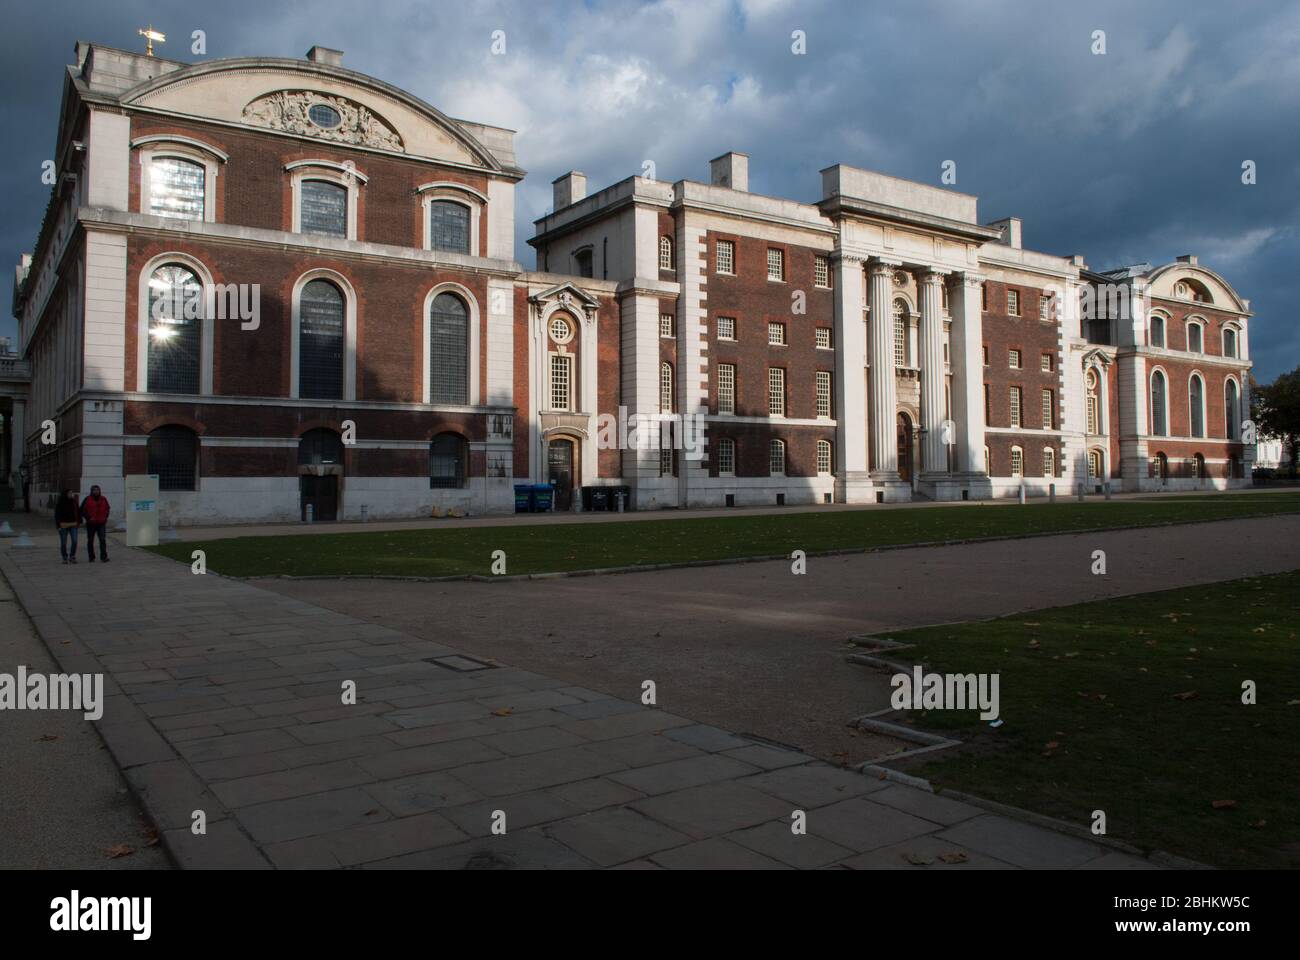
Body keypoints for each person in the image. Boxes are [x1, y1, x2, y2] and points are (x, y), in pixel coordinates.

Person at [81, 484, 111, 563]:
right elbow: (82, 510)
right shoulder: (87, 499)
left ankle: (104, 557)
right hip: (91, 523)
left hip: (101, 523)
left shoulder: (103, 499)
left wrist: (105, 517)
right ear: (91, 491)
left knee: (102, 540)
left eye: (97, 490)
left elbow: (107, 508)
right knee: (90, 540)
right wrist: (88, 518)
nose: (96, 491)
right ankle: (91, 557)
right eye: (94, 490)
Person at [55, 488, 81, 564]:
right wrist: (58, 525)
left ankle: (72, 556)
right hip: (63, 525)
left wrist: (79, 521)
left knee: (75, 541)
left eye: (72, 493)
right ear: (65, 494)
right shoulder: (60, 503)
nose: (71, 494)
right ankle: (64, 557)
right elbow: (57, 515)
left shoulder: (74, 502)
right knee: (63, 543)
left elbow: (78, 511)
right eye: (69, 493)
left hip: (73, 524)